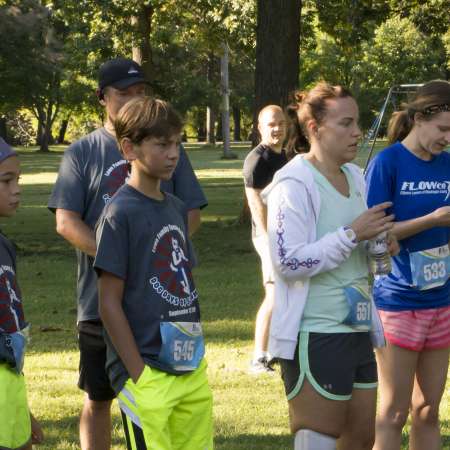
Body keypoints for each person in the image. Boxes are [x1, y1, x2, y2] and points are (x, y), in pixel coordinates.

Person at [47, 57, 207, 450]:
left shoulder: (167, 181)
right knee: (99, 396)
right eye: (125, 93)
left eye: (141, 91)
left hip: (170, 337)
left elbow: (188, 219)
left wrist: (155, 256)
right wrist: (123, 258)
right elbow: (66, 222)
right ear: (103, 98)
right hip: (108, 309)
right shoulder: (84, 154)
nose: (135, 99)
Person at [261, 82, 395, 450]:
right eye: (346, 124)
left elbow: (357, 244)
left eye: (358, 123)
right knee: (318, 440)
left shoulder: (356, 177)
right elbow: (288, 261)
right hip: (315, 332)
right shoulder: (293, 182)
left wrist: (378, 242)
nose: (357, 133)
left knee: (360, 441)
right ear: (314, 129)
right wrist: (352, 234)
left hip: (359, 328)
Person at [94, 97, 213, 449]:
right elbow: (108, 304)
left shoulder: (177, 208)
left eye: (177, 143)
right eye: (162, 144)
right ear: (129, 148)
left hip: (189, 369)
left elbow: (181, 283)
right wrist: (139, 376)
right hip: (146, 372)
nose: (173, 153)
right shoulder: (119, 214)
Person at [365, 80, 450, 450]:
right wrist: (431, 220)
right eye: (443, 129)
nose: (447, 138)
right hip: (398, 301)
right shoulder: (388, 163)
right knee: (394, 412)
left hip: (442, 301)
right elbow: (372, 233)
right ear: (418, 118)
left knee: (428, 410)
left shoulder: (448, 164)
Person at [0, 138, 44, 449]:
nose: (17, 189)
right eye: (6, 181)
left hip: (10, 388)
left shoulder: (4, 246)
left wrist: (23, 410)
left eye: (18, 179)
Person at [243, 105, 287, 373]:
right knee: (273, 293)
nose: (277, 128)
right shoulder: (257, 160)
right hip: (268, 237)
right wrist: (271, 239)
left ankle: (276, 349)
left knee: (285, 292)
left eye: (281, 123)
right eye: (271, 124)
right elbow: (255, 202)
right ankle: (258, 357)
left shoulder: (284, 156)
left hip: (285, 236)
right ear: (259, 127)